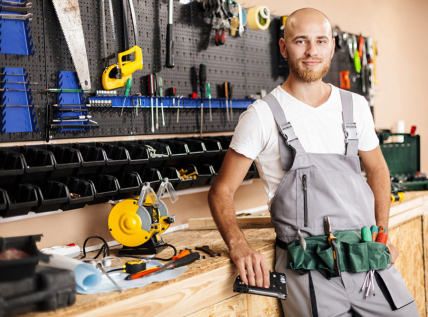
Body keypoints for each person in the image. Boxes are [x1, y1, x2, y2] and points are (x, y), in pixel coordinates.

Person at [208, 7, 419, 317]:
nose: (312, 51)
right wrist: (237, 243)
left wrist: (382, 233)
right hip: (306, 267)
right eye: (300, 41)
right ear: (283, 47)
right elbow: (221, 190)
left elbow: (377, 169)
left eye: (321, 41)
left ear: (332, 46)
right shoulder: (262, 115)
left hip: (367, 259)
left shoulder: (355, 107)